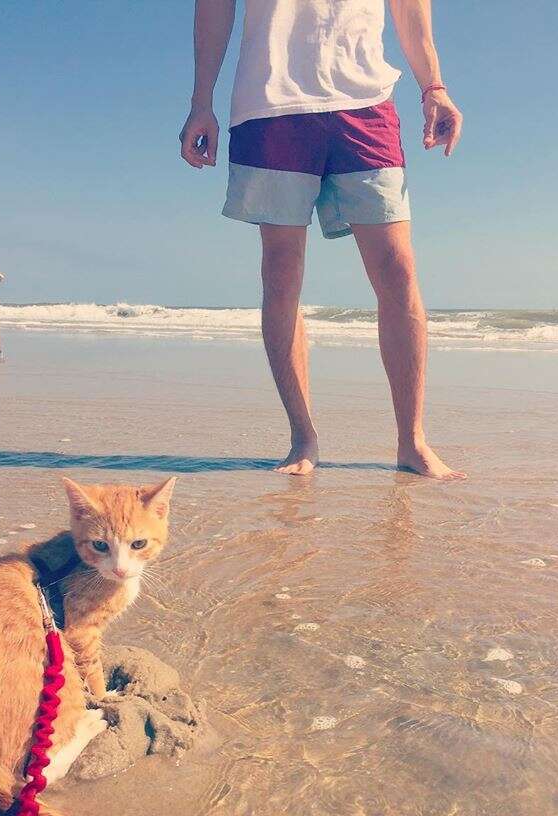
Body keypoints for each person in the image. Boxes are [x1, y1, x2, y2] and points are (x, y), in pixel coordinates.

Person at [180, 0, 466, 479]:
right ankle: (302, 437)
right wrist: (200, 101)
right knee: (281, 269)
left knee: (397, 268)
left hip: (365, 101)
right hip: (269, 103)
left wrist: (433, 86)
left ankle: (412, 442)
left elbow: (409, 7)